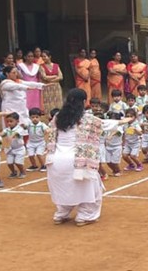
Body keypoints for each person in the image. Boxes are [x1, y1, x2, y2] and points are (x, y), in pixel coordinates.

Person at [45, 88, 133, 226]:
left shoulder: (57, 117)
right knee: (91, 187)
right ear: (84, 102)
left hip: (55, 160)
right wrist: (127, 119)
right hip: (77, 160)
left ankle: (61, 214)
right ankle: (84, 215)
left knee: (64, 187)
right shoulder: (87, 119)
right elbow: (105, 124)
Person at [1, 112, 28, 179]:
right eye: (7, 121)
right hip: (10, 149)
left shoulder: (20, 129)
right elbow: (2, 133)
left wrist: (11, 136)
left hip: (19, 149)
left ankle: (22, 171)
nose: (9, 123)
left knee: (18, 162)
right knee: (9, 163)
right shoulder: (7, 129)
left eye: (11, 121)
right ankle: (13, 172)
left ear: (17, 121)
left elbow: (16, 134)